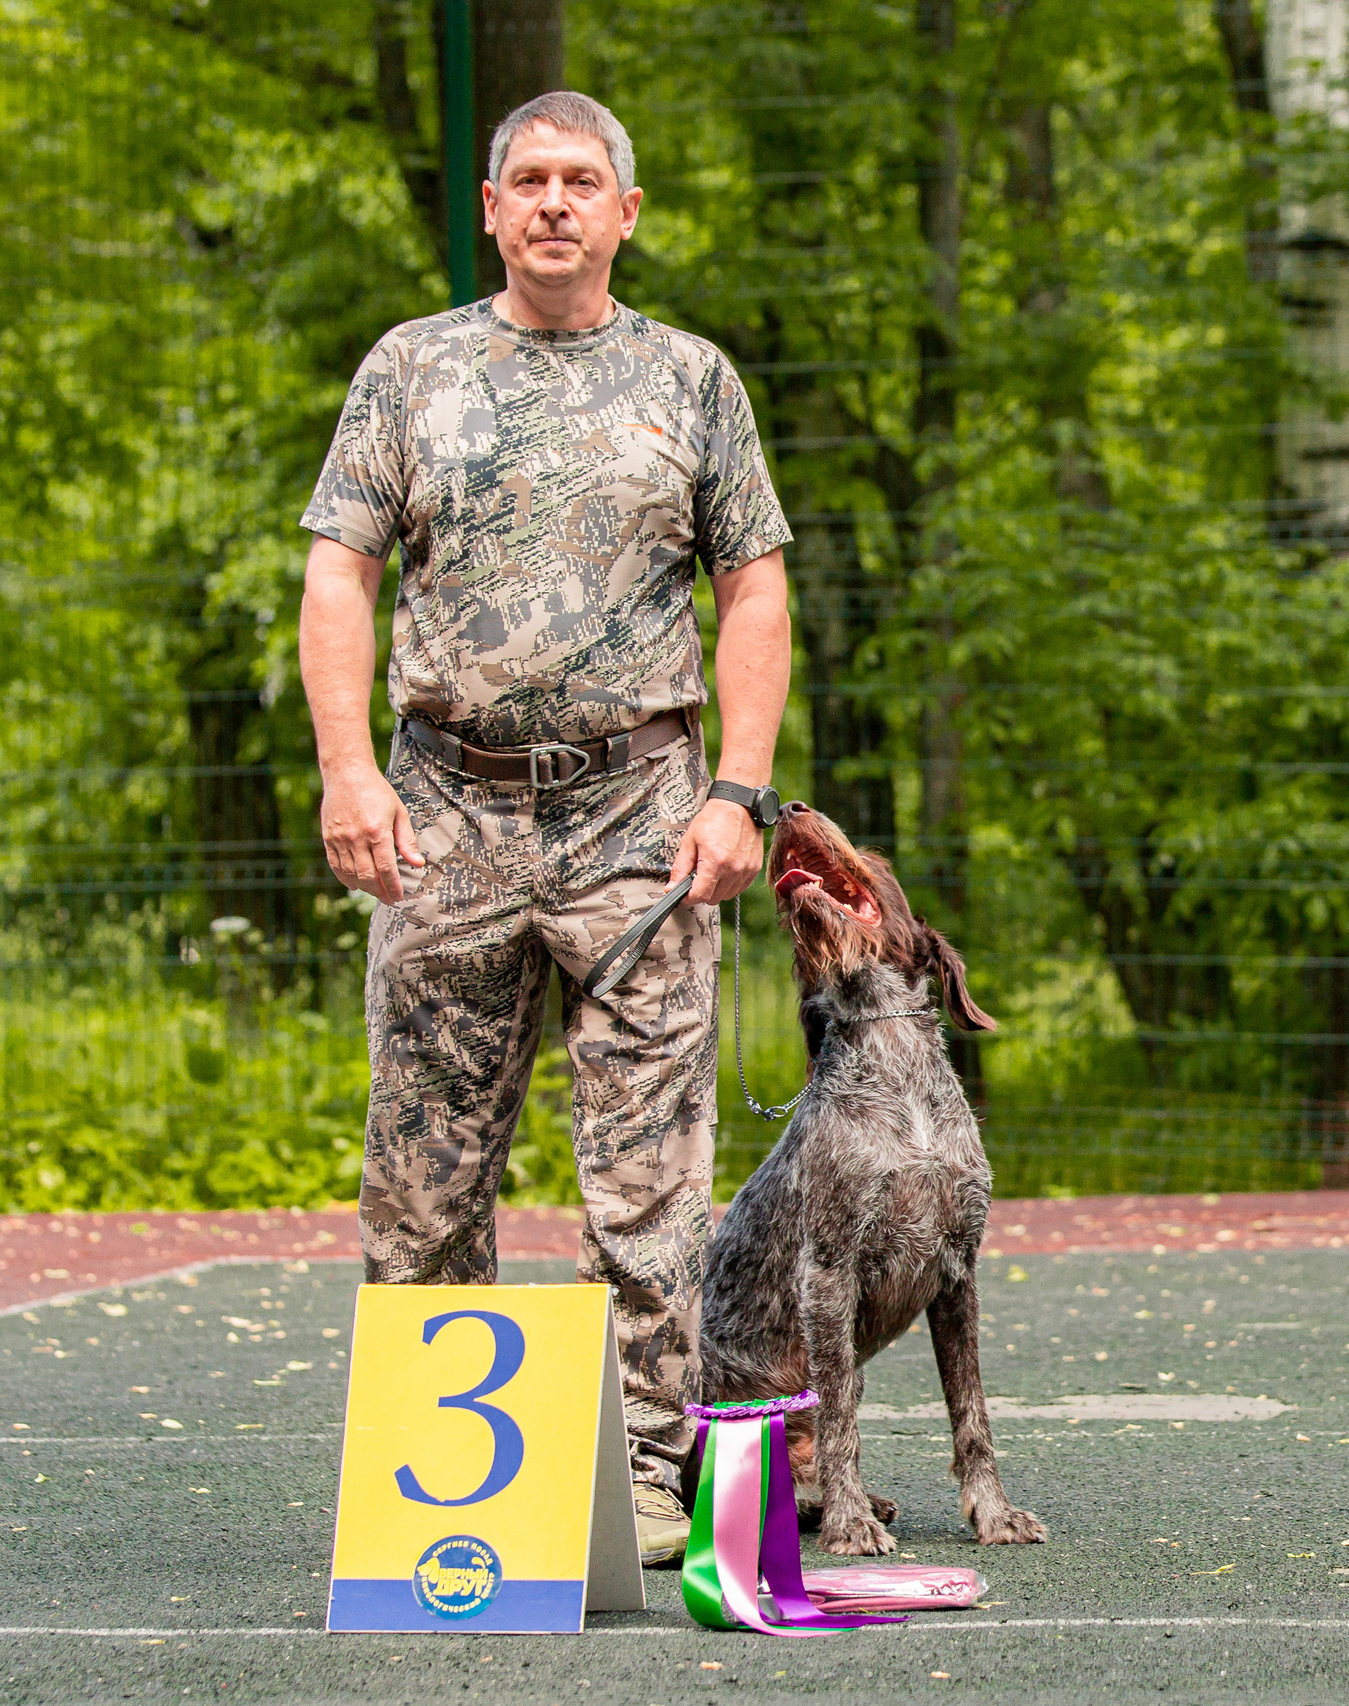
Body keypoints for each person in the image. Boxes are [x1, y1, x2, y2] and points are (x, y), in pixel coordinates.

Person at [297, 89, 792, 1567]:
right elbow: (340, 578)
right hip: (441, 809)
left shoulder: (694, 380)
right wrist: (345, 772)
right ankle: (435, 1486)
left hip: (646, 815)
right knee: (423, 1170)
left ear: (627, 213)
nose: (559, 202)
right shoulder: (412, 370)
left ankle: (647, 1481)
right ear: (495, 213)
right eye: (532, 180)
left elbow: (753, 588)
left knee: (651, 1179)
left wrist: (740, 790)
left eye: (586, 180)